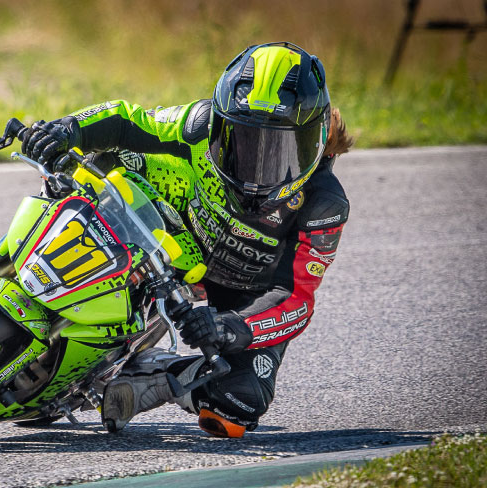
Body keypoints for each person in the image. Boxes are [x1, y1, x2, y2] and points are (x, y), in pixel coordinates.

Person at [21, 42, 353, 438]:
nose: (257, 167)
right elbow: (127, 120)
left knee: (239, 403)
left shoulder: (323, 204)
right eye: (241, 140)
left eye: (281, 151)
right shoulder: (199, 122)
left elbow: (295, 297)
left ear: (314, 140)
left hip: (243, 294)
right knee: (96, 162)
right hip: (173, 231)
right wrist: (66, 129)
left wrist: (230, 327)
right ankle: (27, 258)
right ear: (218, 123)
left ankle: (154, 375)